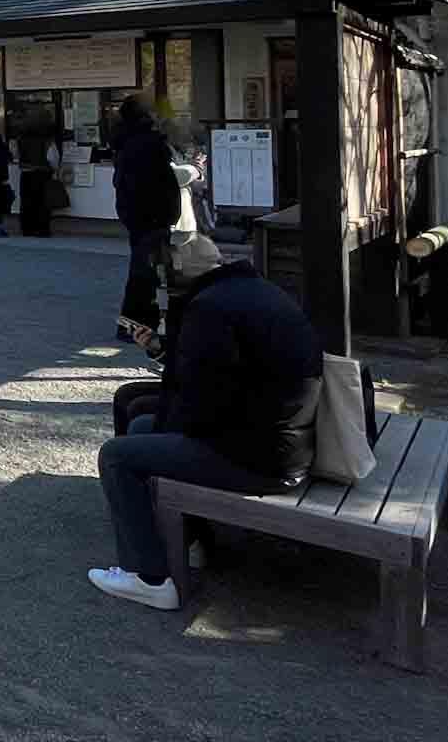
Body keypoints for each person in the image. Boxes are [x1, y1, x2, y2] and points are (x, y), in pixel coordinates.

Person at [87, 235, 322, 610]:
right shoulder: (253, 290)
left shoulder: (209, 309)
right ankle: (188, 539)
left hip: (257, 457)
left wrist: (169, 421)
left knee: (117, 454)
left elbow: (201, 401)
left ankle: (148, 577)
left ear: (180, 272)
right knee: (139, 428)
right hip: (281, 439)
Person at [111, 95, 179, 342]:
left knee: (147, 271)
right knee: (145, 271)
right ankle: (132, 325)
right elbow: (158, 181)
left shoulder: (128, 141)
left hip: (139, 214)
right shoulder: (147, 143)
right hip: (150, 214)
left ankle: (142, 323)